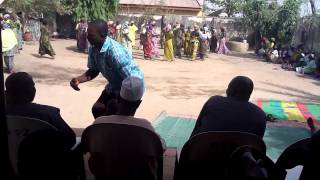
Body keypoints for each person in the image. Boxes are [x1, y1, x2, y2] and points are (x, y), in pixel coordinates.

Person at [70, 20, 144, 119]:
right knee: (97, 109)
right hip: (115, 85)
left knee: (116, 115)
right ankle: (107, 130)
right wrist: (78, 80)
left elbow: (131, 80)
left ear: (102, 35)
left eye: (91, 35)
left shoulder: (116, 54)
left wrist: (120, 99)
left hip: (131, 87)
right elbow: (94, 70)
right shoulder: (94, 48)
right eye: (87, 33)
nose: (87, 37)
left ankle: (114, 131)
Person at [5, 72, 76, 145]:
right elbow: (70, 139)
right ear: (32, 92)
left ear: (6, 93)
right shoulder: (49, 114)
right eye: (33, 87)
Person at [190, 76, 267, 138]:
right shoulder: (260, 115)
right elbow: (257, 144)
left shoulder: (214, 102)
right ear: (249, 94)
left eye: (228, 87)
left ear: (231, 90)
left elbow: (196, 130)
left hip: (203, 154)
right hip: (240, 157)